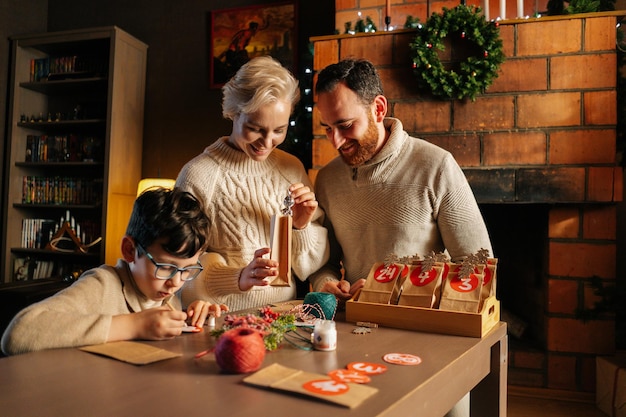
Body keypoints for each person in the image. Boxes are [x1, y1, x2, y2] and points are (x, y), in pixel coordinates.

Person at [309, 58, 493, 417]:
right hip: (355, 340)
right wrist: (327, 282)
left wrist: (388, 290)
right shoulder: (327, 179)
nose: (335, 141)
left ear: (378, 108)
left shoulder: (436, 165)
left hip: (432, 342)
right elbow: (326, 263)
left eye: (345, 126)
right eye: (326, 128)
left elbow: (478, 268)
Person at [176, 55, 328, 312]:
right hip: (223, 318)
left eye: (279, 130)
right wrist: (237, 277)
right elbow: (178, 267)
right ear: (233, 113)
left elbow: (308, 269)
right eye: (255, 128)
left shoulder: (291, 168)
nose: (267, 142)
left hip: (285, 317)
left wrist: (301, 227)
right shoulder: (197, 176)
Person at [1, 188, 228, 356]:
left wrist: (190, 316)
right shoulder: (102, 285)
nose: (176, 282)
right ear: (130, 250)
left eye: (188, 270)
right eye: (166, 267)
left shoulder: (165, 295)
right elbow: (17, 334)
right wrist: (133, 325)